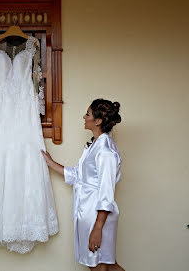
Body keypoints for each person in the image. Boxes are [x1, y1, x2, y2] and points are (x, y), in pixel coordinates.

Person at [41, 99, 125, 271]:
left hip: (98, 217)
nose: (83, 117)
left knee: (100, 267)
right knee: (107, 265)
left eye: (87, 114)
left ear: (98, 120)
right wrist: (50, 163)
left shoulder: (105, 151)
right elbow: (77, 175)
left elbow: (106, 192)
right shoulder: (94, 146)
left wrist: (98, 228)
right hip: (87, 214)